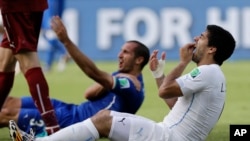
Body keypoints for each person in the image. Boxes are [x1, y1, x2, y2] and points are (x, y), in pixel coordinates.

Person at [9, 23, 236, 141]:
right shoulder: (213, 76)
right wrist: (158, 75)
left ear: (212, 49)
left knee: (104, 119)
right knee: (105, 122)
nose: (196, 39)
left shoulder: (206, 73)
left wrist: (183, 62)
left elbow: (165, 91)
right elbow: (175, 104)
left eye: (202, 37)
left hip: (167, 136)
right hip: (168, 134)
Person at [8, 15, 150, 140]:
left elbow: (93, 72)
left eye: (126, 52)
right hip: (72, 109)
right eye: (120, 50)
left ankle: (31, 136)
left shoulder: (132, 84)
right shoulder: (120, 77)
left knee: (8, 114)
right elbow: (88, 94)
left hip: (76, 121)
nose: (119, 55)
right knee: (10, 102)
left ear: (139, 60)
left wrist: (66, 42)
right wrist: (109, 80)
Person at [0, 0, 60, 135]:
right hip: (35, 3)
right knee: (5, 61)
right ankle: (52, 126)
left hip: (15, 6)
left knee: (27, 60)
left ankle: (52, 127)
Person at [41, 0, 71, 72]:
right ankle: (63, 53)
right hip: (47, 10)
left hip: (50, 11)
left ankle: (48, 64)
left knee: (49, 35)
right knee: (47, 35)